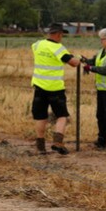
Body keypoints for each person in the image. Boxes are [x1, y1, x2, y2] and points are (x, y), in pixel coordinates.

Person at [31, 22, 80, 155]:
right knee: (62, 115)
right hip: (55, 88)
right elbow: (73, 63)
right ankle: (58, 142)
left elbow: (36, 50)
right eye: (62, 35)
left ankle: (40, 146)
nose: (62, 37)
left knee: (41, 116)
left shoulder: (37, 45)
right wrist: (79, 60)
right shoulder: (58, 48)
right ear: (58, 34)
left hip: (39, 87)